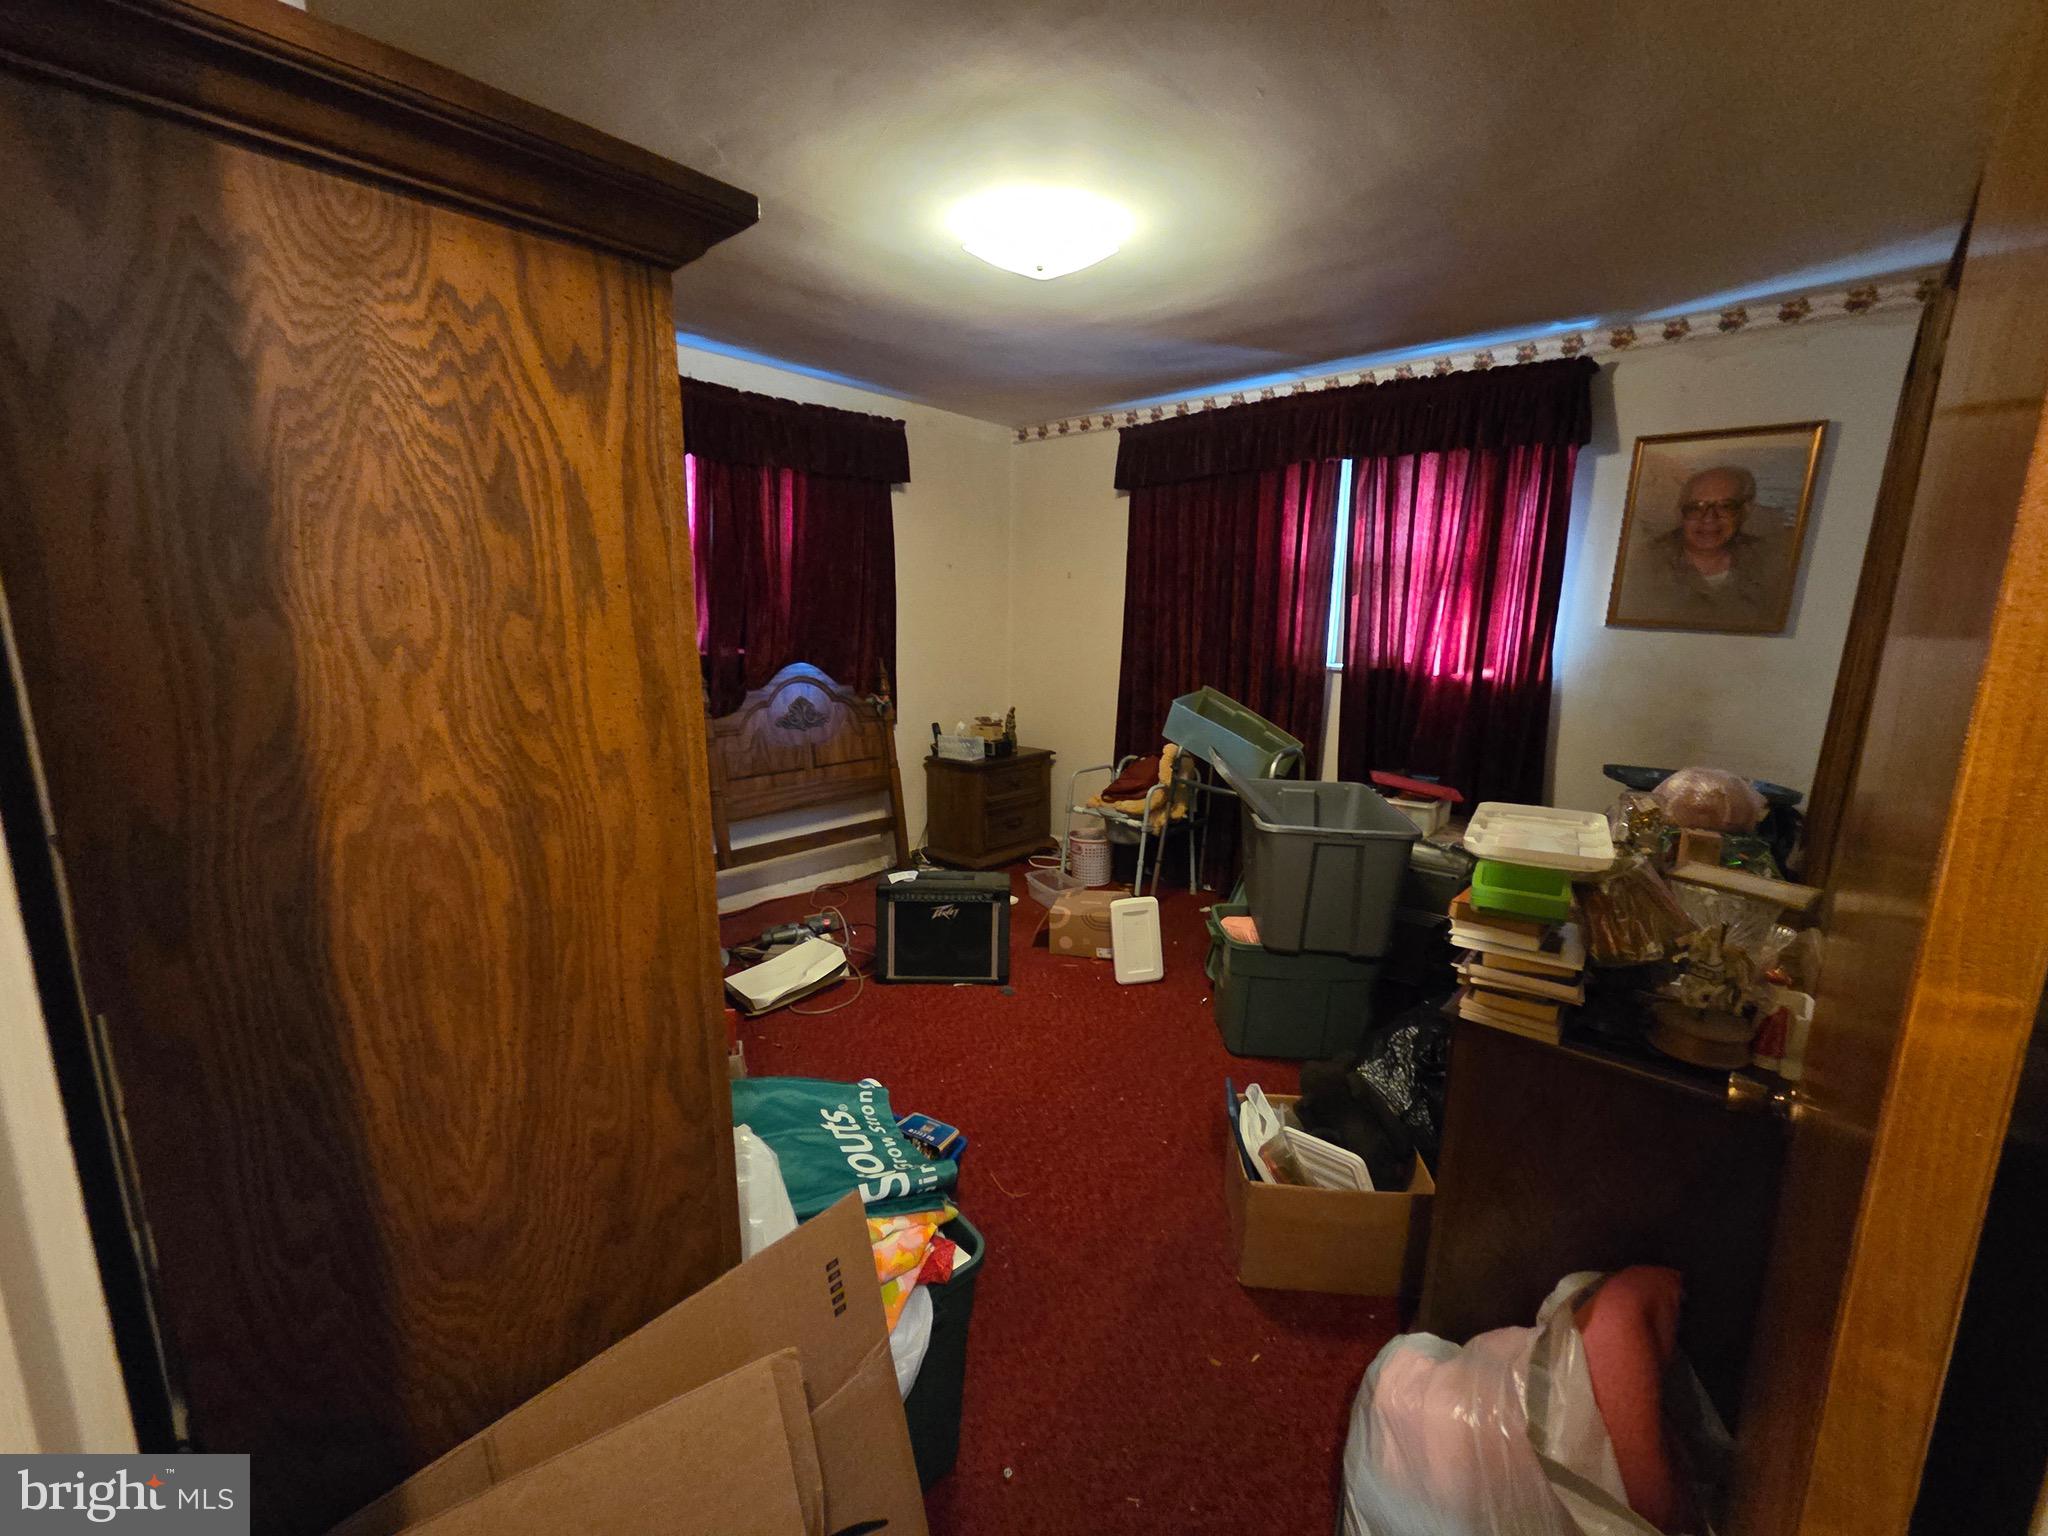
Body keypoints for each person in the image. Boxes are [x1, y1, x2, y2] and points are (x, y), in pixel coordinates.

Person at [1635, 465, 1779, 626]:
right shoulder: (1643, 563)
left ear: (1745, 511)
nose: (1709, 518)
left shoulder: (1772, 561)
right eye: (1696, 508)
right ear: (1680, 513)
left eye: (1725, 506)